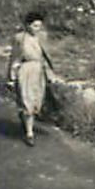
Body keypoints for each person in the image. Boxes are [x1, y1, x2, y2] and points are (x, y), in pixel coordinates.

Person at [6, 11, 57, 146]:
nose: (37, 29)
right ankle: (29, 133)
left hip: (39, 72)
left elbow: (47, 57)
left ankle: (25, 118)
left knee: (36, 102)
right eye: (35, 26)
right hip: (25, 70)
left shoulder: (42, 37)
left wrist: (51, 74)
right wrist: (11, 77)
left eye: (39, 26)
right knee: (27, 101)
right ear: (27, 25)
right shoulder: (20, 38)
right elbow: (14, 58)